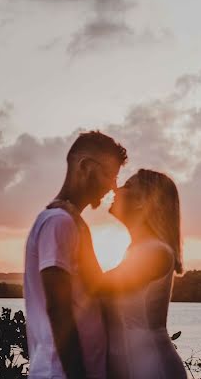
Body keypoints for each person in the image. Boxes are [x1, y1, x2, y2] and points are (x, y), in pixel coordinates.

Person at [23, 130, 127, 379]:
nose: (113, 186)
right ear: (85, 166)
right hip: (61, 372)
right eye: (109, 175)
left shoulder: (70, 222)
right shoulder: (59, 222)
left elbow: (95, 289)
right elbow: (58, 309)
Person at [68, 169, 187, 379]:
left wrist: (77, 225)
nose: (117, 189)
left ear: (143, 202)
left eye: (128, 186)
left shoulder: (155, 252)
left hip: (151, 369)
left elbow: (96, 286)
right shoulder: (136, 251)